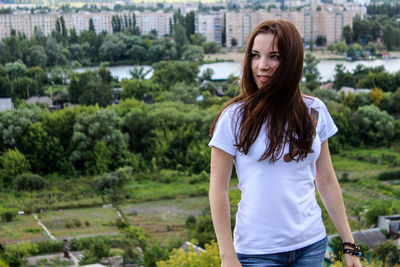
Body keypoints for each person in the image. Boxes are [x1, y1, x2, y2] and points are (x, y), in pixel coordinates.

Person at [208, 19, 362, 267]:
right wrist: (227, 255)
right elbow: (218, 189)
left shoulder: (314, 111)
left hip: (311, 247)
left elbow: (326, 179)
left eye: (274, 56)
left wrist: (349, 244)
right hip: (257, 253)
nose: (262, 66)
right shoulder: (234, 118)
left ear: (292, 61)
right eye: (255, 55)